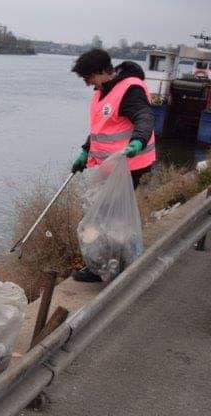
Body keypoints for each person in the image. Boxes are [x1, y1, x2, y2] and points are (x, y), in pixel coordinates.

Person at [70, 48, 156, 282]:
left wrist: (137, 141)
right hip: (111, 166)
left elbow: (144, 117)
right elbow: (103, 129)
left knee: (105, 217)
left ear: (100, 72)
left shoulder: (130, 89)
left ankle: (104, 268)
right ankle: (115, 264)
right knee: (106, 216)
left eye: (88, 78)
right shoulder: (102, 91)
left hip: (131, 164)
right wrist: (85, 152)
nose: (88, 84)